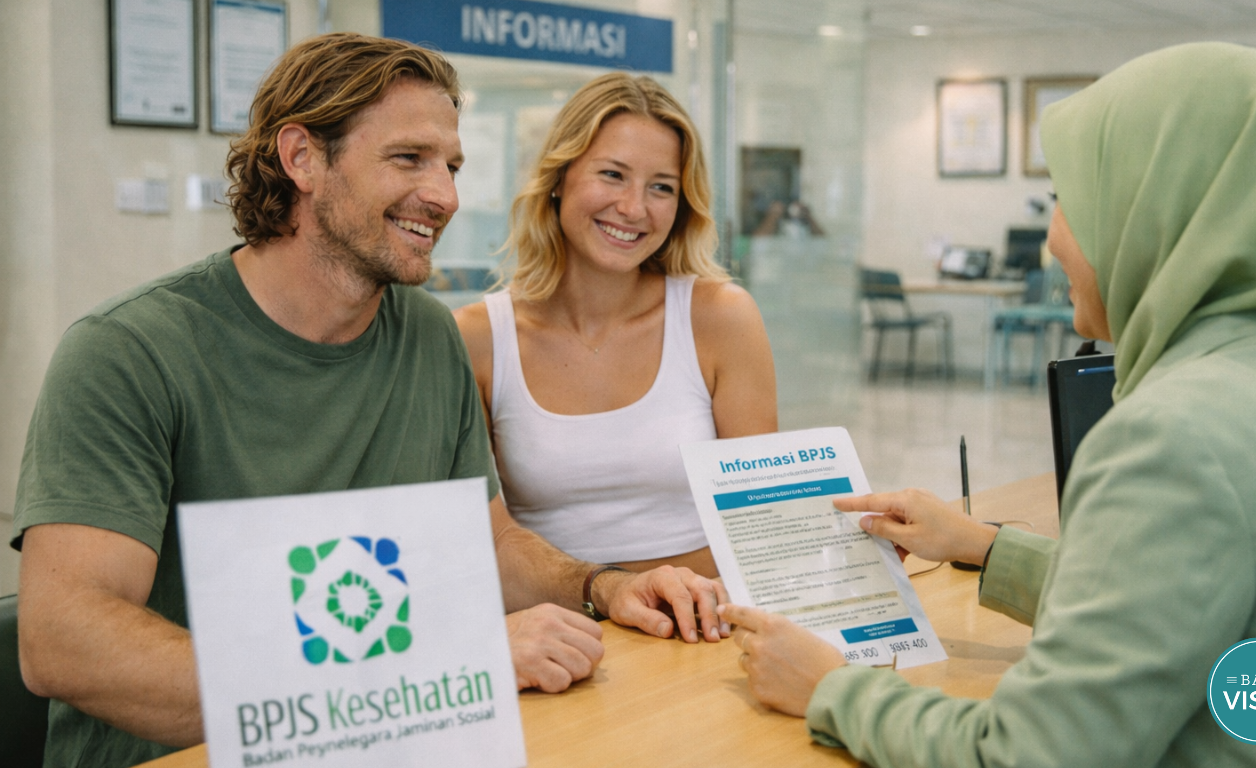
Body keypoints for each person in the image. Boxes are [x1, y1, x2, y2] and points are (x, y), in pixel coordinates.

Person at [12, 34, 728, 768]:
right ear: (302, 159)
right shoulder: (127, 354)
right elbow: (63, 643)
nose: (445, 195)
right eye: (408, 158)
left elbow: (491, 542)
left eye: (450, 165)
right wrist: (439, 666)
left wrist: (603, 587)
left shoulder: (426, 335)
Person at [720, 42, 1256, 766]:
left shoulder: (1173, 439)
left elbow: (1032, 755)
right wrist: (984, 546)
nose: (1051, 240)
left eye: (1073, 198)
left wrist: (831, 689)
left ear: (1153, 213)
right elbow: (1170, 608)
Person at [454, 74, 776, 578]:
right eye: (612, 174)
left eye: (661, 187)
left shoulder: (720, 318)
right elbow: (475, 536)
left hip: (704, 623)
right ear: (559, 177)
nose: (633, 208)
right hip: (564, 632)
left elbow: (762, 519)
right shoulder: (478, 338)